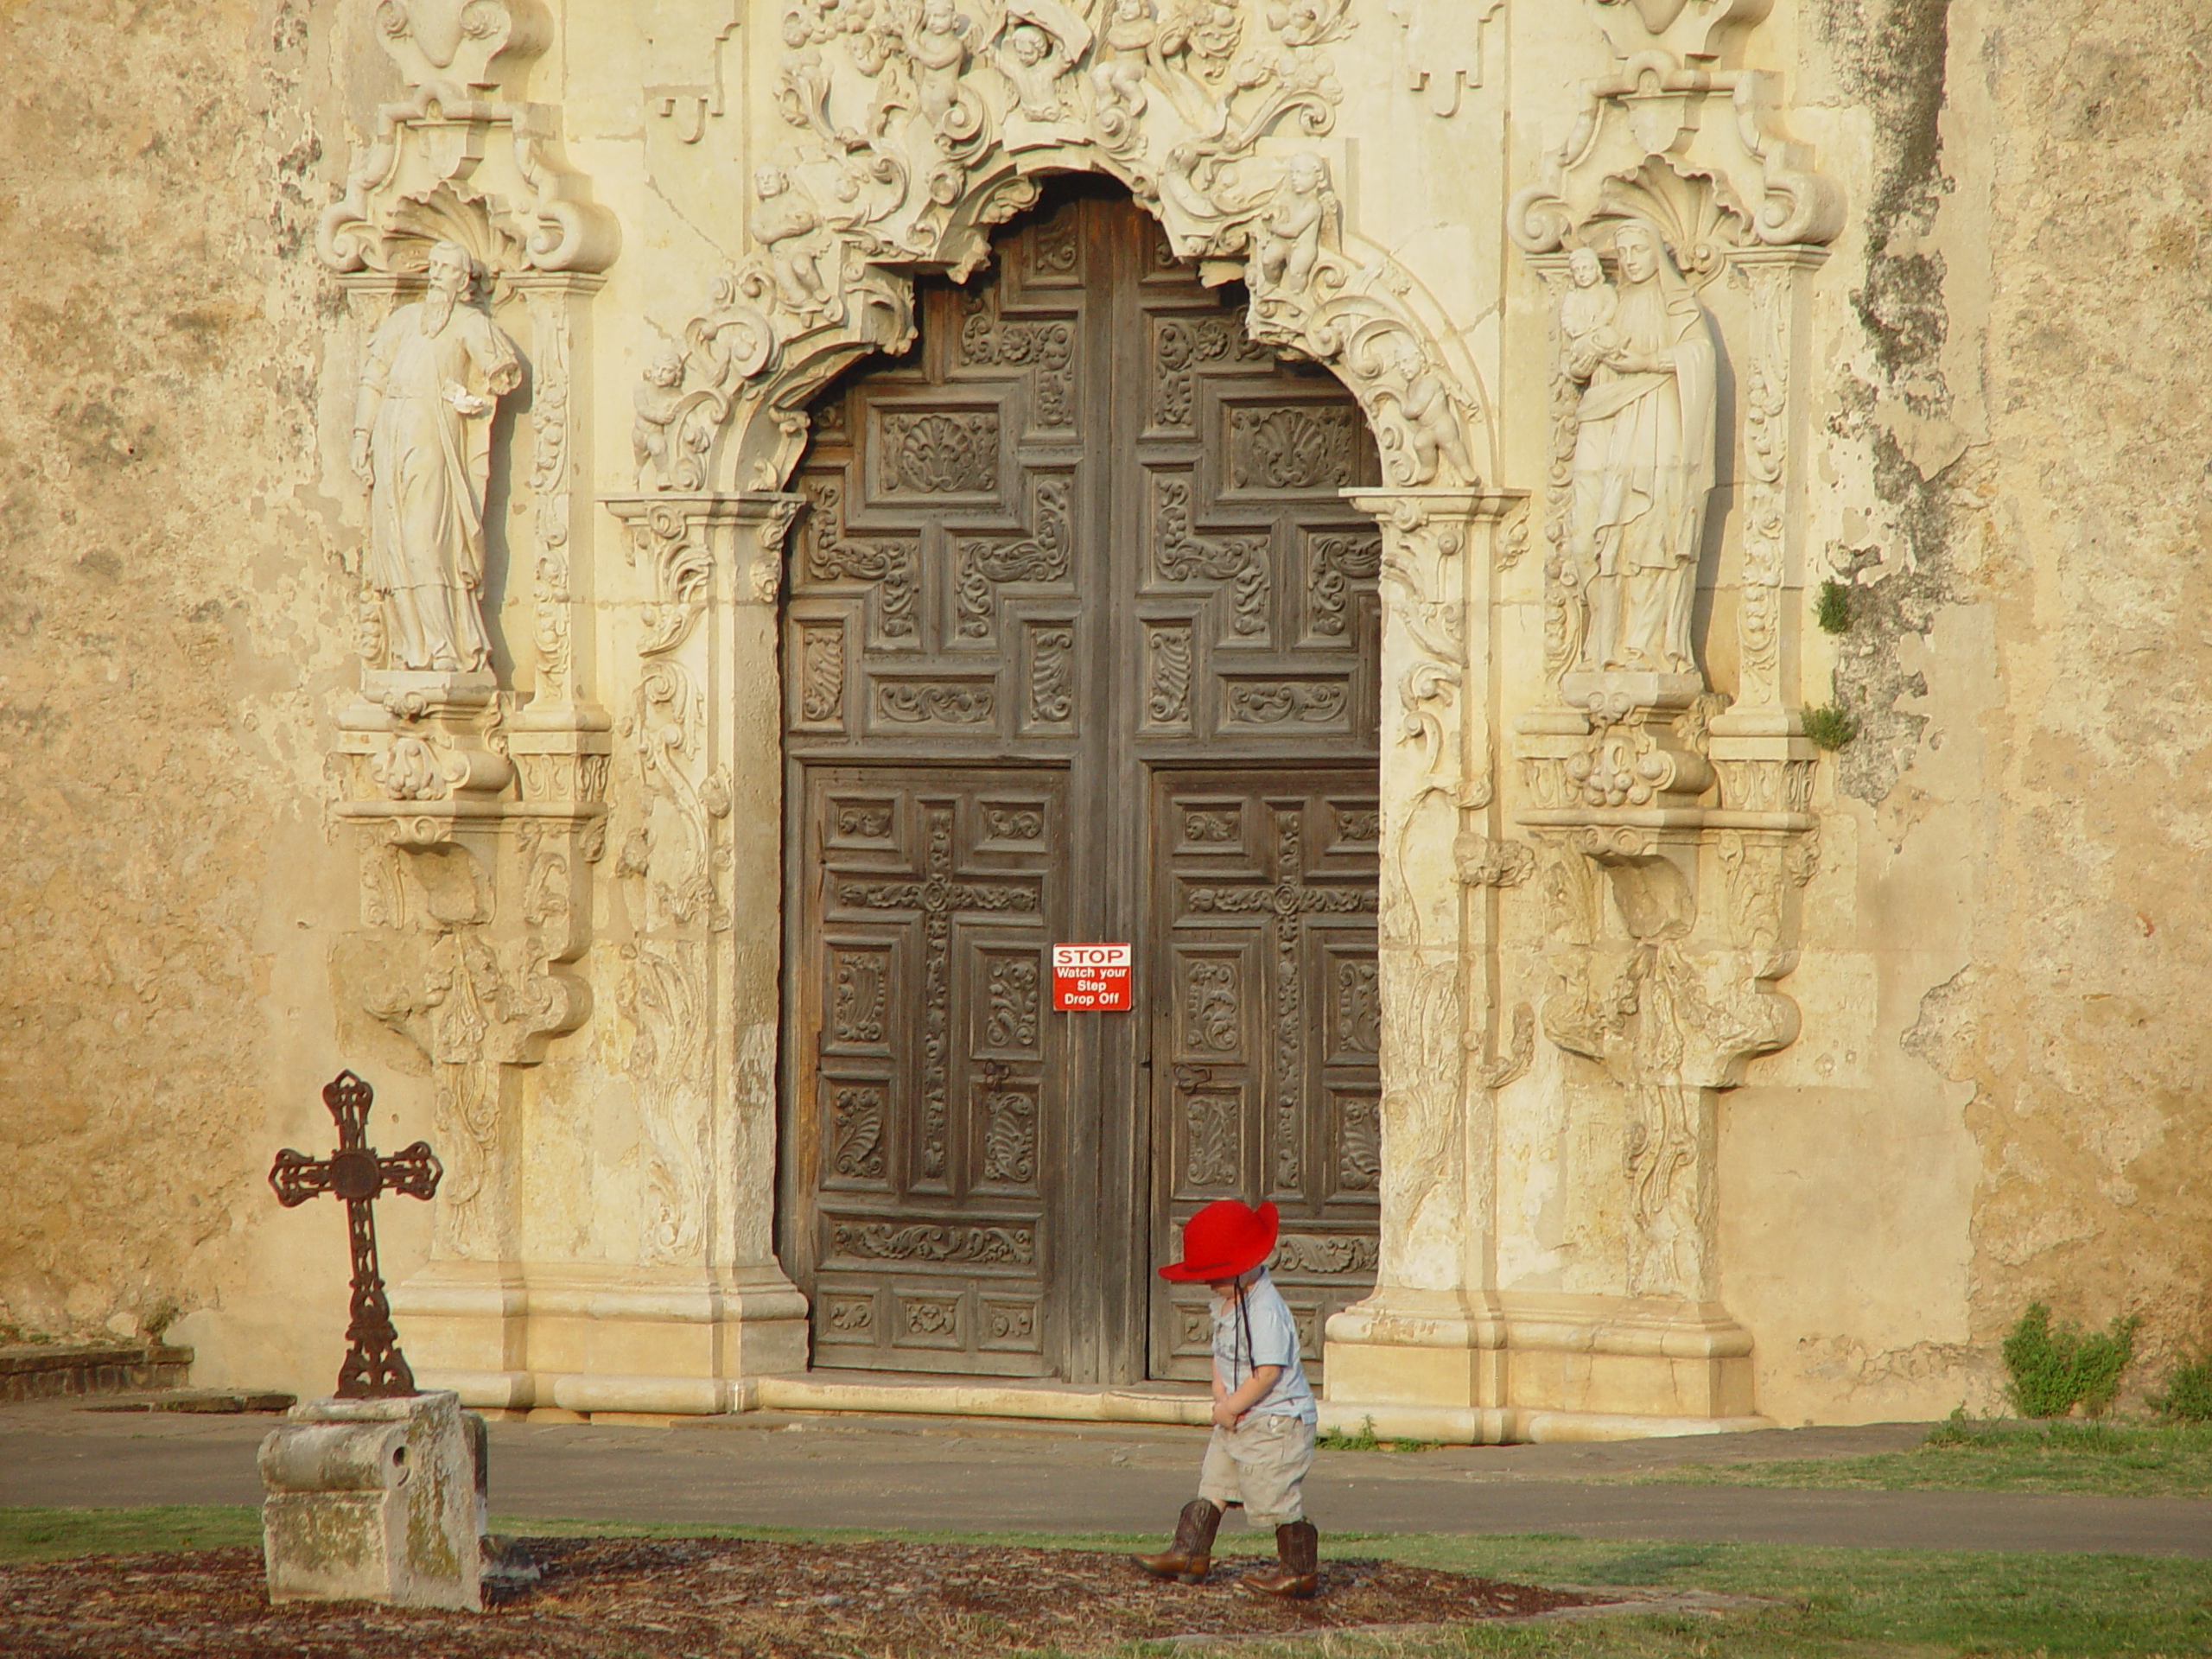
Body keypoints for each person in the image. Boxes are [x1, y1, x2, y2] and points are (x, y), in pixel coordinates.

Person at [1132, 1198, 1320, 1599]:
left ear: (1243, 1269)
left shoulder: (1265, 1310)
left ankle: (1299, 1570)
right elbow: (1222, 1354)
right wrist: (1221, 1397)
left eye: (1215, 1276)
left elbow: (1267, 1373)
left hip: (1275, 1421)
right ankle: (1190, 1553)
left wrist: (1231, 1407)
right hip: (1237, 1415)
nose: (1207, 1284)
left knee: (1274, 1494)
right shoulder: (1228, 1301)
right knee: (1215, 1481)